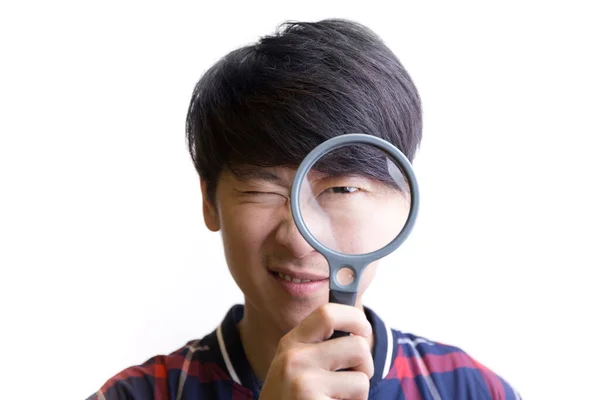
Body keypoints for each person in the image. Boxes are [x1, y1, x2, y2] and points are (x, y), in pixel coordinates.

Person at [87, 19, 521, 400]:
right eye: (262, 190)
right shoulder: (133, 395)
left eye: (342, 189)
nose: (297, 239)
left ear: (403, 199)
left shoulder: (474, 390)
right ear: (209, 200)